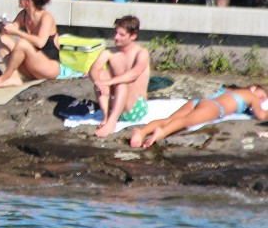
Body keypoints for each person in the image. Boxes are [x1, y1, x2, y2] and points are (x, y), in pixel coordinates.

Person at [130, 84, 268, 148]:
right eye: (262, 96)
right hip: (214, 108)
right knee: (186, 121)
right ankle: (162, 132)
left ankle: (142, 131)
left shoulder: (232, 90)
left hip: (199, 101)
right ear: (254, 88)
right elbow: (261, 115)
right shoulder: (251, 96)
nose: (261, 101)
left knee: (170, 119)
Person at [0, 0, 60, 88]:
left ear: (29, 1)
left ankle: (4, 77)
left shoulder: (46, 17)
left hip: (49, 67)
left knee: (22, 43)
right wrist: (5, 27)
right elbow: (9, 32)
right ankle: (14, 77)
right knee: (2, 40)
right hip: (32, 67)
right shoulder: (23, 15)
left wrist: (17, 32)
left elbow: (40, 42)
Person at [90, 15, 152, 138]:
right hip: (115, 106)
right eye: (116, 33)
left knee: (123, 82)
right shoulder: (109, 52)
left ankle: (111, 123)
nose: (116, 37)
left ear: (133, 36)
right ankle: (106, 117)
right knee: (101, 74)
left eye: (122, 35)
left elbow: (135, 73)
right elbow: (94, 68)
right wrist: (97, 81)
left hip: (134, 108)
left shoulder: (141, 53)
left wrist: (110, 82)